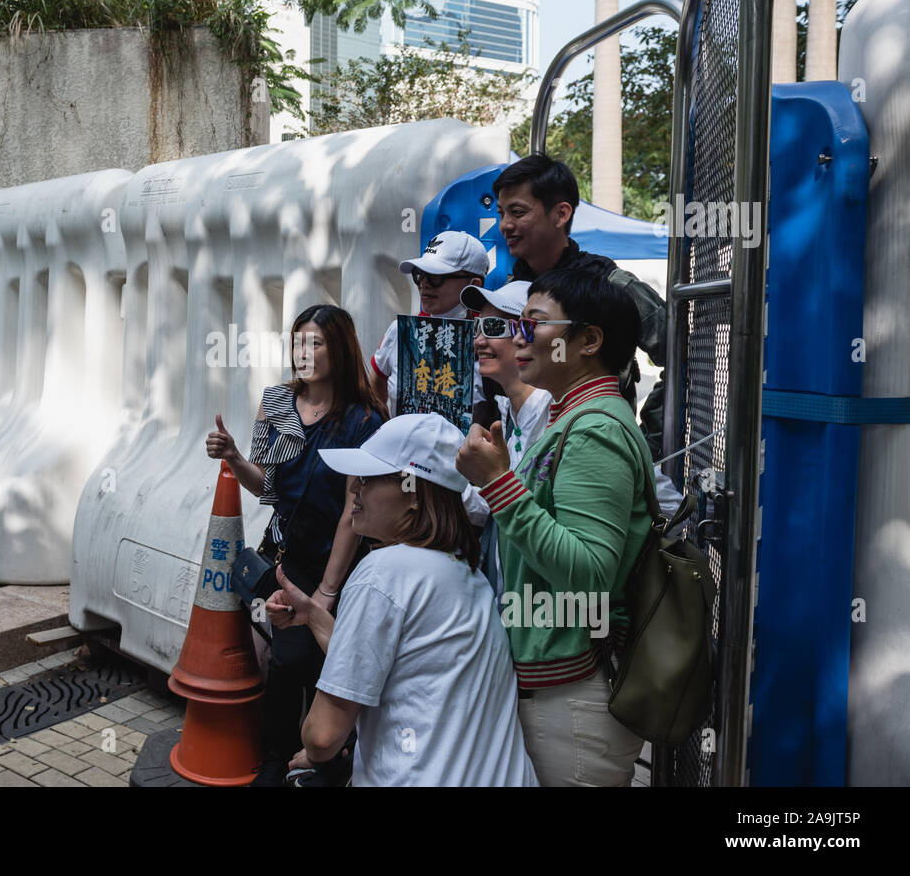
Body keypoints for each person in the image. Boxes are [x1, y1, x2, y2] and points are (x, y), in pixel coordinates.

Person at [455, 268, 654, 787]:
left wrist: (498, 484)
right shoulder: (574, 419)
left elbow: (590, 575)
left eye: (534, 323)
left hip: (575, 695)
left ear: (588, 341)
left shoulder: (595, 431)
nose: (517, 336)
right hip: (562, 685)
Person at [266, 413, 537, 787]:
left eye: (369, 478)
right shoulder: (467, 572)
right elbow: (382, 666)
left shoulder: (383, 571)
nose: (354, 489)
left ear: (413, 493)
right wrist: (314, 616)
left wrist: (312, 754)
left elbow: (323, 736)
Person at [205, 304, 384, 786]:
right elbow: (265, 484)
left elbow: (354, 508)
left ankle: (317, 756)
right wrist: (235, 455)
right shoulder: (277, 403)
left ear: (340, 349)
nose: (304, 353)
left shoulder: (363, 419)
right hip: (280, 554)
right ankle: (285, 757)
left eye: (316, 343)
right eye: (299, 342)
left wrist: (327, 589)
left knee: (310, 657)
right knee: (293, 656)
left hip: (335, 561)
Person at [493, 155, 668, 458]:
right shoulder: (504, 294)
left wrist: (648, 444)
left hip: (591, 458)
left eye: (518, 212)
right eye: (501, 213)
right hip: (523, 465)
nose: (505, 225)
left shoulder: (610, 286)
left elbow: (683, 356)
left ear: (561, 214)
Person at [457, 280, 552, 597]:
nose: (479, 340)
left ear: (528, 334)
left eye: (494, 327)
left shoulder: (556, 411)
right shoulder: (508, 411)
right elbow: (496, 505)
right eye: (477, 327)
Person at [371, 230, 492, 422]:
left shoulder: (491, 341)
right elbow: (377, 382)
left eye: (436, 276)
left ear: (474, 285)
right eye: (420, 275)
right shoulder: (399, 332)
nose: (424, 284)